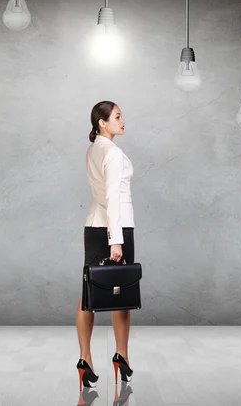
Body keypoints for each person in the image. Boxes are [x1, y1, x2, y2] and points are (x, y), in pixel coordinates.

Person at [76, 101, 135, 390]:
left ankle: (85, 358)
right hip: (115, 227)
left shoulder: (93, 149)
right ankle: (121, 356)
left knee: (90, 291)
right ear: (102, 122)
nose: (123, 120)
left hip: (94, 225)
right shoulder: (111, 152)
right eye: (117, 116)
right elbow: (112, 197)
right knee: (120, 291)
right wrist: (116, 240)